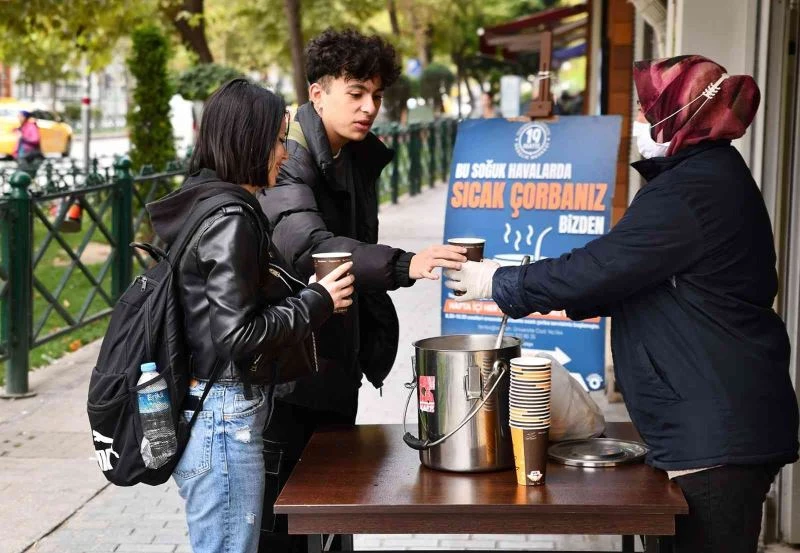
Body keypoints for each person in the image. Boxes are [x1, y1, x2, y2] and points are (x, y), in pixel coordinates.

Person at [445, 54, 799, 553]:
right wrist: (521, 278)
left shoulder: (692, 191)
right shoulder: (706, 177)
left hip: (716, 434)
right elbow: (616, 275)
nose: (639, 121)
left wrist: (498, 282)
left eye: (646, 107)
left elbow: (599, 269)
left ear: (680, 112)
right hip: (711, 425)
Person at [257, 28, 465, 552]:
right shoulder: (287, 158)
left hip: (333, 359)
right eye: (356, 93)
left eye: (377, 95)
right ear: (317, 93)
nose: (370, 107)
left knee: (333, 513)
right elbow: (309, 246)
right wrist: (405, 264)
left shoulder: (355, 154)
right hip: (286, 370)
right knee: (284, 522)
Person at [146, 79, 354, 553]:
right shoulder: (231, 217)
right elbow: (237, 335)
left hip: (210, 407)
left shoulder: (202, 201)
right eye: (278, 139)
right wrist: (317, 301)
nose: (283, 152)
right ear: (249, 140)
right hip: (222, 415)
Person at [14, 109, 43, 175]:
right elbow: (18, 142)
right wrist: (15, 153)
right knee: (22, 174)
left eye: (20, 116)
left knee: (26, 175)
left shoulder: (31, 126)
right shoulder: (21, 127)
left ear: (25, 117)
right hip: (22, 155)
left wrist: (23, 137)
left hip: (30, 155)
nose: (19, 118)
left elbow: (35, 139)